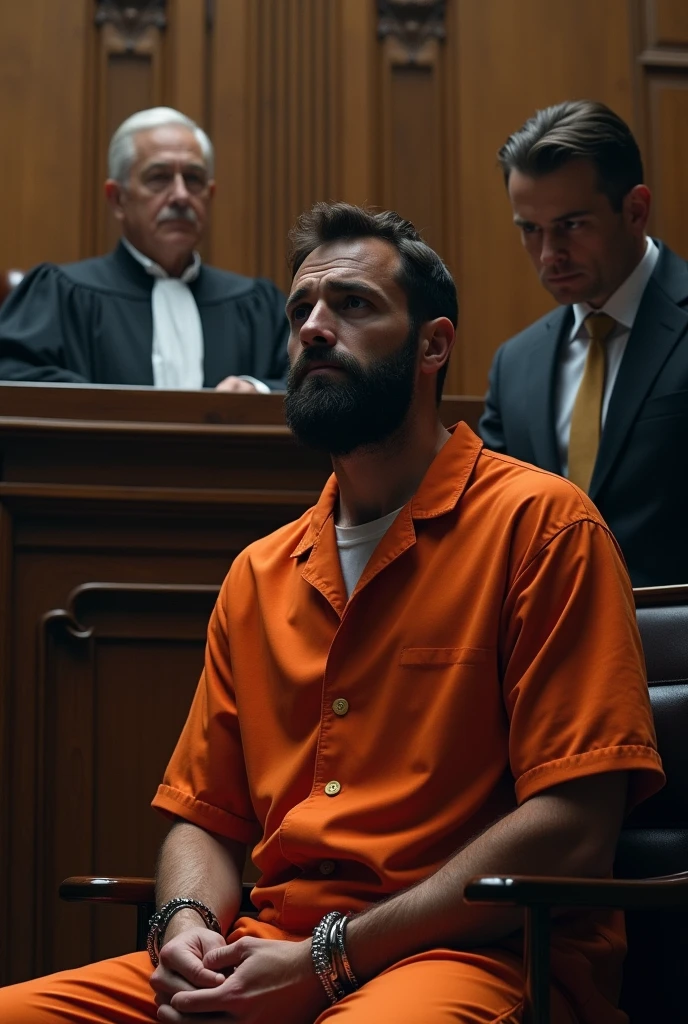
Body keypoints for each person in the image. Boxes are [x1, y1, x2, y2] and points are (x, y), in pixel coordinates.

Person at [0, 203, 663, 1023]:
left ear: (433, 345)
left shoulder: (544, 526)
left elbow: (574, 826)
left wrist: (329, 959)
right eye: (300, 311)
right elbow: (202, 819)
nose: (313, 328)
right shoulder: (260, 572)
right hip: (264, 949)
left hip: (475, 956)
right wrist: (186, 928)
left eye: (352, 305)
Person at [478, 100, 688, 587]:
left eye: (572, 225)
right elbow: (491, 526)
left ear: (635, 210)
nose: (550, 254)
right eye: (531, 230)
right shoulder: (515, 364)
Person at [0, 108, 288, 392]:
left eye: (193, 179)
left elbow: (312, 385)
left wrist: (256, 390)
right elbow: (13, 377)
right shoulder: (60, 294)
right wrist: (107, 409)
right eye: (158, 178)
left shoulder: (258, 305)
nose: (180, 196)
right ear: (117, 199)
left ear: (209, 195)